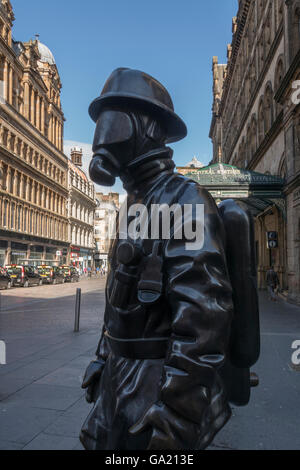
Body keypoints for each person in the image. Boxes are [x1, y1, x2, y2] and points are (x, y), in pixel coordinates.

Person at [80, 68, 234, 450]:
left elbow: (203, 324)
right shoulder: (134, 206)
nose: (104, 135)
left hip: (157, 388)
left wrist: (176, 414)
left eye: (114, 120)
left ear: (143, 127)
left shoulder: (186, 201)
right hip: (119, 383)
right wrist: (103, 357)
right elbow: (118, 297)